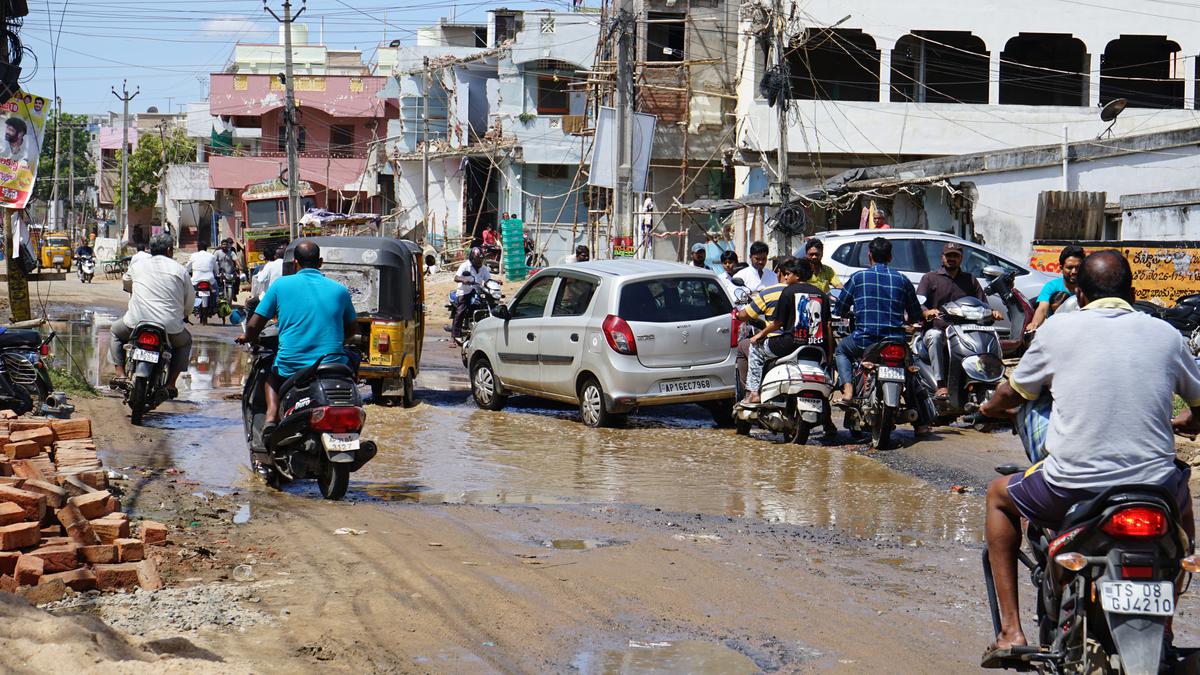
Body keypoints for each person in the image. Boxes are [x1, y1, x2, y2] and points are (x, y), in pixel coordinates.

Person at [977, 250, 1200, 666]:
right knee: (1180, 497)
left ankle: (1010, 631)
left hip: (1073, 484)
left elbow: (1015, 392)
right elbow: (1199, 403)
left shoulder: (1058, 332)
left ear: (1078, 292)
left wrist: (989, 408)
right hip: (1154, 490)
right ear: (1133, 292)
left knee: (997, 495)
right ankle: (1166, 615)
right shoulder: (1166, 335)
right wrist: (1186, 420)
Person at [238, 242, 357, 433]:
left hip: (291, 367)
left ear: (295, 263)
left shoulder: (281, 286)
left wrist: (248, 337)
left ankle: (271, 416)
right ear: (320, 262)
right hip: (333, 364)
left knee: (271, 377)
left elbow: (254, 325)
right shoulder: (340, 290)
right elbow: (352, 329)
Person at [832, 237, 924, 415]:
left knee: (841, 351)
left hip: (864, 340)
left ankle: (848, 391)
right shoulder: (903, 280)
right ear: (890, 257)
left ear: (869, 255)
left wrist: (845, 312)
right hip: (895, 341)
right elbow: (915, 314)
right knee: (911, 372)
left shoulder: (858, 278)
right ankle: (920, 423)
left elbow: (841, 307)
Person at [109, 233, 193, 399]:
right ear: (170, 250)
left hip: (135, 323)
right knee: (185, 342)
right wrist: (185, 314)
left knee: (116, 332)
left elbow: (126, 283)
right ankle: (170, 384)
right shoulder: (180, 270)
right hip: (169, 327)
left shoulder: (138, 266)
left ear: (150, 250)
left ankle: (120, 375)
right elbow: (189, 300)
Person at [916, 242, 1003, 399]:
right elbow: (918, 303)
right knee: (934, 337)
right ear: (942, 257)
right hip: (939, 330)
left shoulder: (970, 280)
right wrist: (927, 312)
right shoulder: (930, 278)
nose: (951, 259)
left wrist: (992, 313)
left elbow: (983, 304)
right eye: (948, 255)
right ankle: (940, 384)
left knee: (988, 339)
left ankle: (990, 379)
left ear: (961, 258)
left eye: (955, 256)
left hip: (966, 331)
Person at [743, 259, 833, 404]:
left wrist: (759, 335)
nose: (784, 278)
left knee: (755, 349)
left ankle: (753, 393)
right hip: (817, 347)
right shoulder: (822, 294)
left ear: (797, 275)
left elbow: (778, 323)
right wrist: (829, 354)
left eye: (787, 274)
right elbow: (828, 327)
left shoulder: (788, 291)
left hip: (790, 344)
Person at [1027, 245, 1085, 331]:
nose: (1074, 272)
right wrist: (1034, 324)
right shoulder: (1051, 286)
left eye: (1078, 267)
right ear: (1061, 268)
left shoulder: (1088, 287)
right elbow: (1042, 309)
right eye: (1070, 268)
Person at [451, 247, 493, 343]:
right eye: (478, 260)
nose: (479, 262)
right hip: (465, 291)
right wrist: (463, 280)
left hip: (478, 291)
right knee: (461, 311)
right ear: (472, 259)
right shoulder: (465, 266)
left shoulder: (483, 268)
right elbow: (456, 277)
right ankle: (454, 337)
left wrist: (495, 282)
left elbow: (488, 280)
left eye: (481, 260)